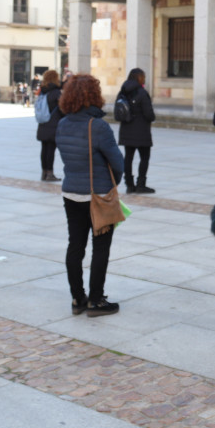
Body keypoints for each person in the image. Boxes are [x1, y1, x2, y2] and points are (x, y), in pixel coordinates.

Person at [56, 74, 124, 317]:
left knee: (75, 246)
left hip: (71, 193)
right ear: (94, 96)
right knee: (100, 248)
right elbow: (117, 162)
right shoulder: (98, 126)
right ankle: (96, 300)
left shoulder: (62, 124)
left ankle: (77, 298)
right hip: (98, 196)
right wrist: (115, 181)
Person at [116, 67, 157, 193]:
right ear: (139, 78)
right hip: (141, 131)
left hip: (126, 129)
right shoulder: (142, 92)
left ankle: (129, 184)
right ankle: (141, 184)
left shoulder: (122, 92)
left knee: (128, 157)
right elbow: (149, 114)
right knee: (144, 157)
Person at [36, 69, 64, 182]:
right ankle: (50, 173)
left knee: (44, 149)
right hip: (54, 125)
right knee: (51, 150)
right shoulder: (56, 93)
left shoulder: (43, 91)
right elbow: (62, 110)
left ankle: (44, 172)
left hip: (43, 124)